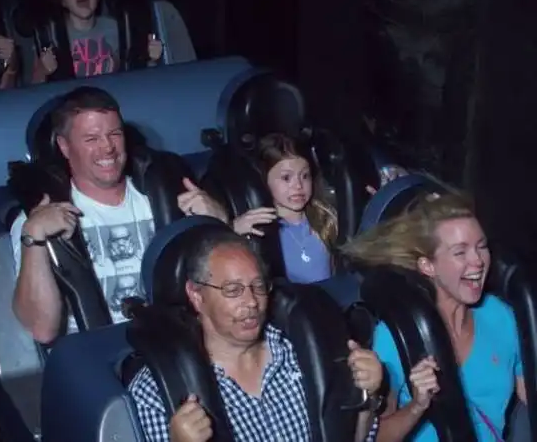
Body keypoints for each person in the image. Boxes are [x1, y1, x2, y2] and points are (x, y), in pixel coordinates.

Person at [10, 86, 227, 343]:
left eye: (114, 134)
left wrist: (220, 224)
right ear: (64, 146)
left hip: (178, 341)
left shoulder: (170, 201)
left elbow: (228, 290)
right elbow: (42, 330)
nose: (107, 148)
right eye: (91, 139)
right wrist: (33, 237)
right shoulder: (35, 222)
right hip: (97, 353)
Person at [129, 228, 383, 442]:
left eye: (258, 286)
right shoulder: (156, 391)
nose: (251, 301)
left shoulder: (304, 350)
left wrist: (368, 395)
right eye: (233, 290)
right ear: (196, 296)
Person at [341, 192, 527, 442]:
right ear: (428, 266)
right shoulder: (397, 334)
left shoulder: (500, 316)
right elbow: (375, 437)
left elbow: (529, 393)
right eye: (460, 252)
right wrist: (417, 405)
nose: (478, 261)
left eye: (481, 246)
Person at [232, 133, 337, 284]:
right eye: (286, 178)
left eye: (305, 176)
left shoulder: (325, 218)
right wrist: (232, 231)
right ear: (264, 181)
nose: (298, 185)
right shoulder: (259, 229)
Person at [30, 0, 162, 82]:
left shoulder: (118, 28)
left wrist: (152, 60)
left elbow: (136, 77)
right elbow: (33, 89)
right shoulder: (52, 35)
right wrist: (43, 71)